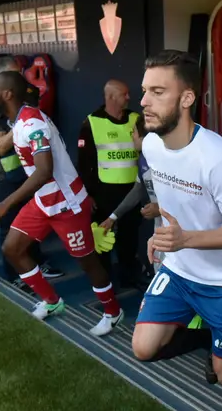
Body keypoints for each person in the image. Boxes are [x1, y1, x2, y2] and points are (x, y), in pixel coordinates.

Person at [131, 50, 222, 411]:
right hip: (179, 269)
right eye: (144, 90)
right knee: (143, 348)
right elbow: (171, 194)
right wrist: (160, 229)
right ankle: (208, 332)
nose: (143, 101)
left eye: (158, 92)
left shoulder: (219, 159)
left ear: (187, 98)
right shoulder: (150, 144)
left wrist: (185, 239)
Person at [0, 71, 121, 337]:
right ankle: (52, 301)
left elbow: (44, 171)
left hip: (66, 204)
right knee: (12, 249)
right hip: (44, 201)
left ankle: (113, 312)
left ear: (7, 94)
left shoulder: (32, 124)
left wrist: (5, 204)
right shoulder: (20, 120)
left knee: (88, 263)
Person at [0, 57, 64, 291]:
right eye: (14, 76)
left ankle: (37, 264)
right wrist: (22, 121)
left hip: (29, 175)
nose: (22, 81)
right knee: (9, 226)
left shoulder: (26, 107)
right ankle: (15, 274)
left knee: (34, 224)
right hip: (6, 178)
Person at [78, 80, 145, 290]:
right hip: (103, 192)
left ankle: (129, 276)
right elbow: (84, 162)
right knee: (103, 239)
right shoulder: (91, 122)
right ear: (110, 97)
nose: (129, 98)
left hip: (131, 191)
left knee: (130, 237)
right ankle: (104, 280)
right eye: (124, 94)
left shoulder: (136, 119)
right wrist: (88, 193)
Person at [99, 116, 162, 273]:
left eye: (133, 132)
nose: (131, 136)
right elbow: (137, 190)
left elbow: (189, 197)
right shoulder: (142, 159)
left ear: (144, 135)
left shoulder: (167, 158)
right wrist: (112, 217)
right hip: (161, 228)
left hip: (182, 231)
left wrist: (161, 208)